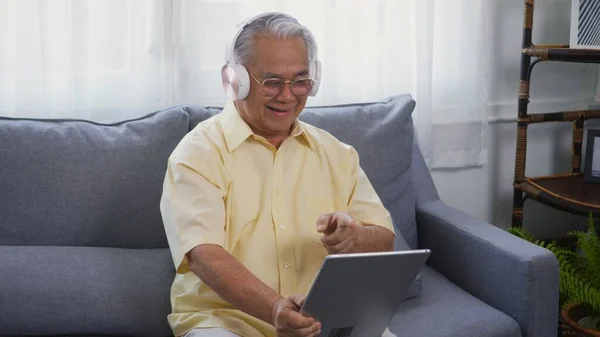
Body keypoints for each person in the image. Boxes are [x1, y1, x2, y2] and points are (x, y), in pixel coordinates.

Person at [160, 12, 396, 337]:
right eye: (271, 82)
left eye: (300, 81)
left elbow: (385, 239)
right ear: (234, 80)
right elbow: (203, 255)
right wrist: (276, 309)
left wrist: (354, 238)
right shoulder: (196, 154)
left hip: (322, 322)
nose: (287, 96)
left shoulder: (338, 154)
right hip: (225, 324)